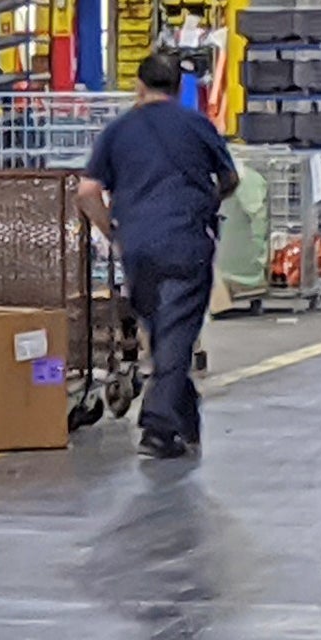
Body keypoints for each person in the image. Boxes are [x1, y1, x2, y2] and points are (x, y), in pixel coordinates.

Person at [78, 50, 241, 462]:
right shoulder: (197, 124)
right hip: (186, 241)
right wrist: (206, 201)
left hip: (137, 246)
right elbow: (230, 178)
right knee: (177, 336)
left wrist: (112, 233)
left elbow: (86, 192)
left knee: (162, 333)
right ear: (178, 87)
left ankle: (185, 419)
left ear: (139, 85)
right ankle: (156, 425)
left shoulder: (118, 130)